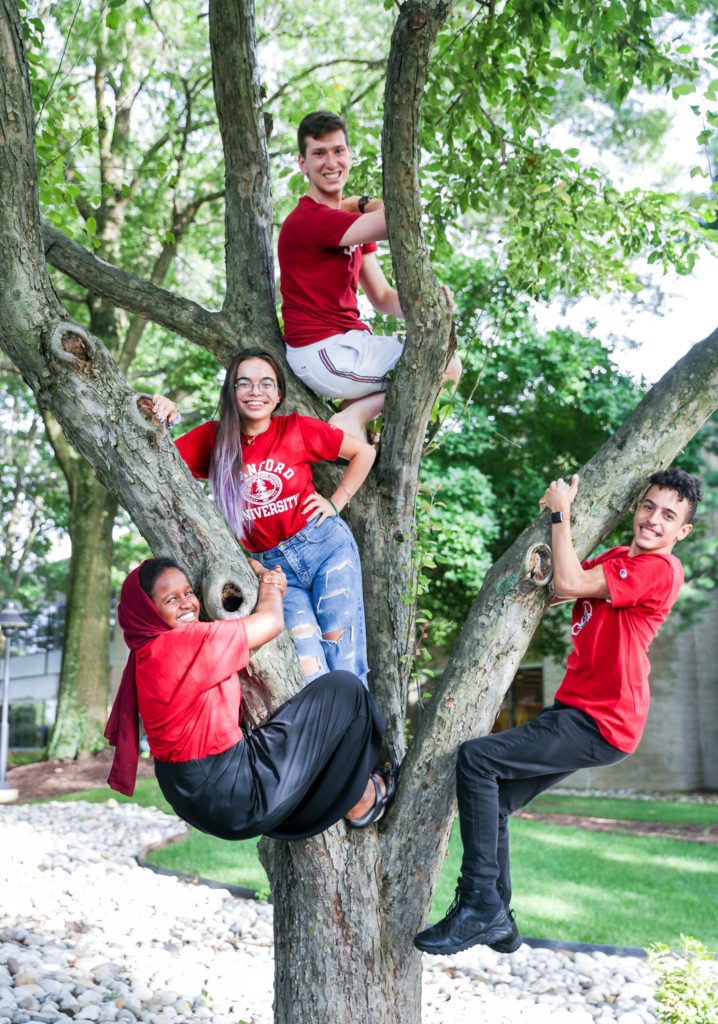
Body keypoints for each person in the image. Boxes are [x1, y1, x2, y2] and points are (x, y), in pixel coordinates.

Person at [414, 467, 703, 956]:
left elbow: (569, 577)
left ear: (683, 531)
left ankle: (479, 903)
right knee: (497, 800)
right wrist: (558, 533)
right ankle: (497, 918)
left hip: (603, 719)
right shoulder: (617, 559)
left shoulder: (661, 569)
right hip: (576, 710)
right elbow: (564, 585)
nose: (654, 519)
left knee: (477, 760)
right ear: (636, 507)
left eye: (668, 515)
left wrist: (561, 512)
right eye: (649, 506)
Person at [104, 557, 398, 836]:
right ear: (148, 611)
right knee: (345, 691)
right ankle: (360, 798)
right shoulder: (182, 644)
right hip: (231, 792)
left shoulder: (145, 655)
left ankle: (327, 801)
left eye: (188, 592)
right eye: (171, 599)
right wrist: (270, 584)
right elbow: (270, 622)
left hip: (195, 798)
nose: (187, 604)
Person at [152, 347, 375, 686]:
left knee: (343, 659)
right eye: (244, 383)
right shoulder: (213, 440)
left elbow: (364, 452)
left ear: (279, 393)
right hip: (274, 572)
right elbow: (158, 460)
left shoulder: (296, 428)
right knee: (309, 667)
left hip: (325, 548)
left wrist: (336, 501)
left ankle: (360, 738)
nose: (256, 391)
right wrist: (163, 416)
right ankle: (329, 736)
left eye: (266, 383)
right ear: (231, 391)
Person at [277, 110, 461, 439]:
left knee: (438, 360)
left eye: (338, 151)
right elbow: (400, 218)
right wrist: (360, 203)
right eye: (318, 153)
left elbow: (383, 299)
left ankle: (357, 422)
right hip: (324, 351)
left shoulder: (348, 227)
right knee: (446, 365)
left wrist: (432, 307)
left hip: (346, 346)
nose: (331, 162)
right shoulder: (311, 219)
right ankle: (353, 416)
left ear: (349, 155)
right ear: (303, 164)